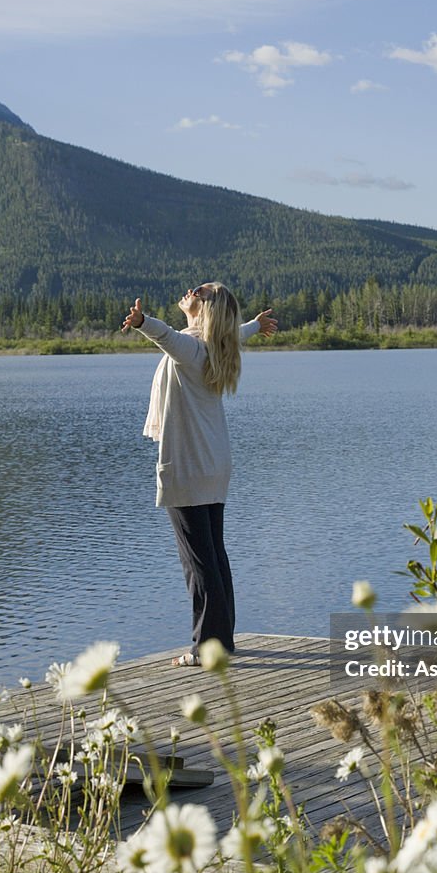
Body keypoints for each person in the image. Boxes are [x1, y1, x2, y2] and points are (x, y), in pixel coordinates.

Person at [122, 284, 277, 666]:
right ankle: (222, 641)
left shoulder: (192, 349)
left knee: (198, 564)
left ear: (204, 310)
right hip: (213, 463)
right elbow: (230, 332)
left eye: (201, 291)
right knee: (213, 557)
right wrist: (255, 326)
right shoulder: (217, 345)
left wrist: (142, 322)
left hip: (190, 464)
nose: (192, 289)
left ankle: (207, 650)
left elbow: (165, 337)